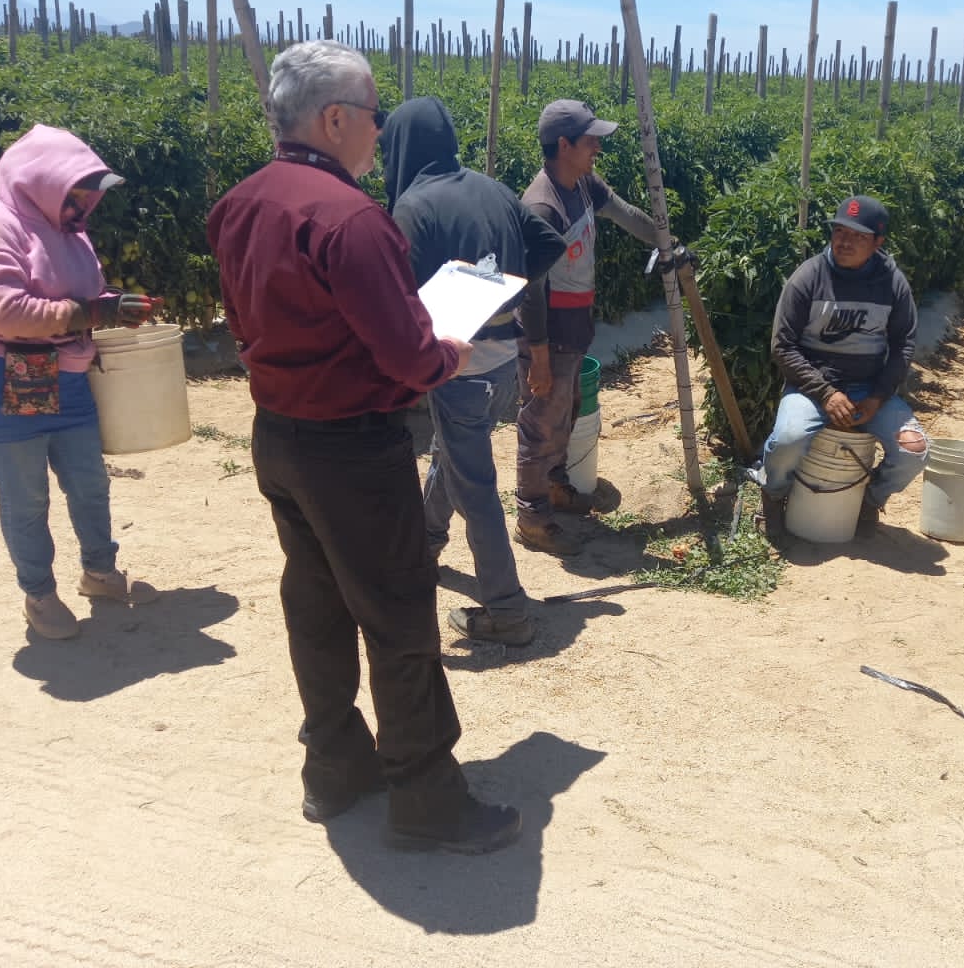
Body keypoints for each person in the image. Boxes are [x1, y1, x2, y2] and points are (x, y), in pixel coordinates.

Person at [206, 42, 519, 853]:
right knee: (399, 615)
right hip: (353, 448)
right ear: (336, 118)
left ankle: (334, 768)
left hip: (278, 436)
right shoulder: (350, 219)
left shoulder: (239, 203)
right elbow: (412, 359)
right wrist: (446, 347)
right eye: (373, 115)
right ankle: (426, 798)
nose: (379, 132)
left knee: (314, 604)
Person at [0, 124, 162, 641]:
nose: (87, 205)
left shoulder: (67, 232)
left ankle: (99, 572)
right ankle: (39, 594)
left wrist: (108, 305)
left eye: (90, 194)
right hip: (0, 378)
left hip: (63, 377)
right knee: (27, 498)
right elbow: (1, 310)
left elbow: (79, 297)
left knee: (89, 483)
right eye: (77, 193)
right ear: (41, 182)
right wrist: (90, 311)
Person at [381, 97, 567, 647]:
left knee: (477, 486)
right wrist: (501, 287)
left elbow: (396, 295)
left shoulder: (414, 207)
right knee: (456, 455)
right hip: (504, 358)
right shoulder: (494, 189)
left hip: (456, 364)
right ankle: (425, 544)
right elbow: (549, 244)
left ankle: (508, 612)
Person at [515, 99, 664, 556]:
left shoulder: (582, 183)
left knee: (567, 414)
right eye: (589, 139)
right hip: (549, 329)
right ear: (564, 145)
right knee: (541, 424)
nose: (597, 145)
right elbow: (531, 291)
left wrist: (668, 243)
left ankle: (555, 489)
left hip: (574, 324)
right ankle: (532, 518)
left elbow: (623, 212)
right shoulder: (543, 206)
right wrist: (538, 356)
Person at [758, 195, 929, 542]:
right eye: (839, 231)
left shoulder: (893, 284)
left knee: (915, 450)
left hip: (868, 389)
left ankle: (867, 501)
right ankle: (773, 496)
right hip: (812, 389)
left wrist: (879, 396)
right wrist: (825, 393)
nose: (844, 241)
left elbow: (903, 346)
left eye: (857, 236)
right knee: (789, 439)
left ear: (878, 242)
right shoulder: (808, 277)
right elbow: (783, 346)